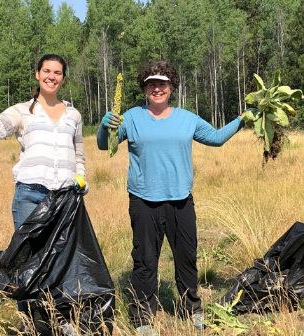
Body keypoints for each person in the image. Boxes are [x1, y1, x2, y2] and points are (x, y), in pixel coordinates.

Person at [97, 60, 244, 335]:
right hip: (143, 201)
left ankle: (192, 308)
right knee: (145, 260)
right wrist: (105, 126)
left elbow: (216, 138)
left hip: (181, 201)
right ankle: (143, 317)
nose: (157, 88)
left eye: (162, 83)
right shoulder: (130, 117)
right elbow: (106, 145)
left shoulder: (187, 119)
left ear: (172, 87)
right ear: (144, 88)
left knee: (187, 258)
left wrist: (242, 119)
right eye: (151, 83)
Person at [0, 54, 86, 334]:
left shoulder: (73, 115)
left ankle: (60, 319)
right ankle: (30, 323)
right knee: (27, 262)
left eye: (58, 72)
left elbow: (78, 153)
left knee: (60, 259)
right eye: (47, 71)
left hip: (64, 200)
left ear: (63, 78)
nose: (52, 76)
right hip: (30, 196)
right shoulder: (21, 111)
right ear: (37, 75)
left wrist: (82, 178)